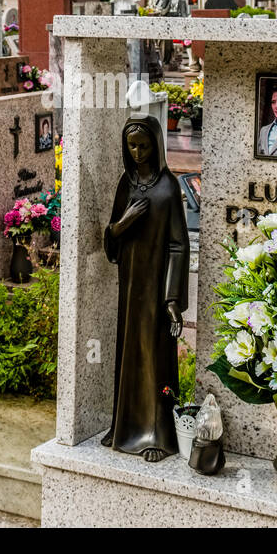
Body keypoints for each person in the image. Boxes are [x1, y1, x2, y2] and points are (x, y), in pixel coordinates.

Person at [102, 114, 190, 463]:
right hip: (131, 283)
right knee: (128, 353)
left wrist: (172, 299)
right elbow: (111, 238)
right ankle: (124, 426)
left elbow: (179, 245)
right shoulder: (127, 184)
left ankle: (159, 433)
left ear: (156, 144)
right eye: (131, 146)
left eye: (143, 145)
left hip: (156, 288)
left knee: (154, 357)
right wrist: (122, 225)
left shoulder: (168, 188)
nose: (137, 152)